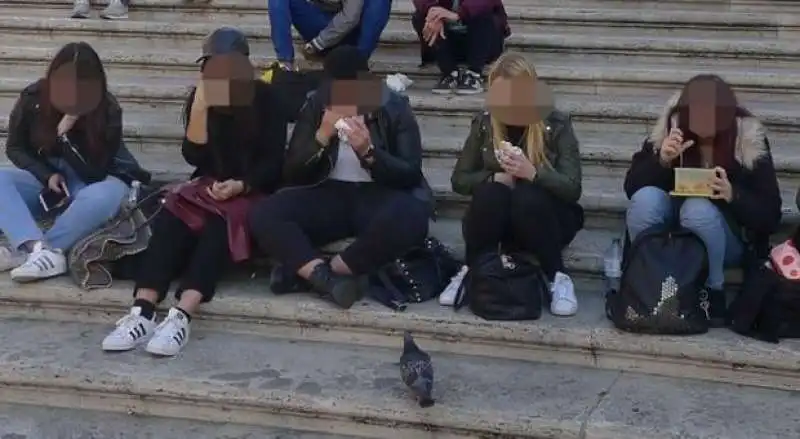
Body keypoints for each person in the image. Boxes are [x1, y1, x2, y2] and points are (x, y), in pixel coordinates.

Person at [101, 27, 288, 356]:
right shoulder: (203, 96)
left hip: (252, 190)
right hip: (208, 185)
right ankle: (141, 311)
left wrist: (241, 185)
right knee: (173, 216)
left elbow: (274, 162)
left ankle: (182, 315)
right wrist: (201, 108)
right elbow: (194, 157)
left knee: (220, 225)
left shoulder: (266, 98)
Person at [248, 45, 431, 310]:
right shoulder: (315, 103)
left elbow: (410, 171)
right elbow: (293, 170)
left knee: (413, 216)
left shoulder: (393, 105)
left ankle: (324, 275)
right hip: (328, 192)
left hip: (378, 194)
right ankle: (326, 280)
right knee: (265, 212)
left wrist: (369, 153)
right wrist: (321, 136)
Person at [624, 74, 781, 326]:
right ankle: (646, 276)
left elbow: (771, 215)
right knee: (645, 199)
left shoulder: (746, 141)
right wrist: (661, 160)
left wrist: (733, 195)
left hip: (724, 239)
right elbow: (631, 188)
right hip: (673, 234)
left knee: (697, 209)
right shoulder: (671, 129)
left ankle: (712, 291)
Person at [451, 52, 583, 317]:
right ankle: (470, 272)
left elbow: (572, 187)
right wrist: (494, 177)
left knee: (527, 195)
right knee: (490, 192)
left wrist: (533, 173)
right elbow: (459, 180)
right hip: (500, 220)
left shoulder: (556, 123)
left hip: (547, 219)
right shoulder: (485, 123)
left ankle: (558, 276)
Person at [0, 42, 142, 283]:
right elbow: (15, 148)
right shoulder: (33, 98)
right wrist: (46, 175)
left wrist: (67, 132)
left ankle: (41, 251)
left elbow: (95, 172)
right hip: (50, 181)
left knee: (107, 194)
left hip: (93, 182)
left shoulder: (107, 108)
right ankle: (34, 247)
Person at [412, 0, 509, 94]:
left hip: (483, 43)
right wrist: (434, 13)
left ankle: (474, 73)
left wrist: (458, 14)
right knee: (420, 16)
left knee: (483, 13)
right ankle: (449, 72)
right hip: (449, 40)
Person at [268, 0, 392, 70]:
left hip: (351, 34)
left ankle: (358, 65)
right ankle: (285, 64)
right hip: (319, 23)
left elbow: (350, 17)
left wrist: (318, 43)